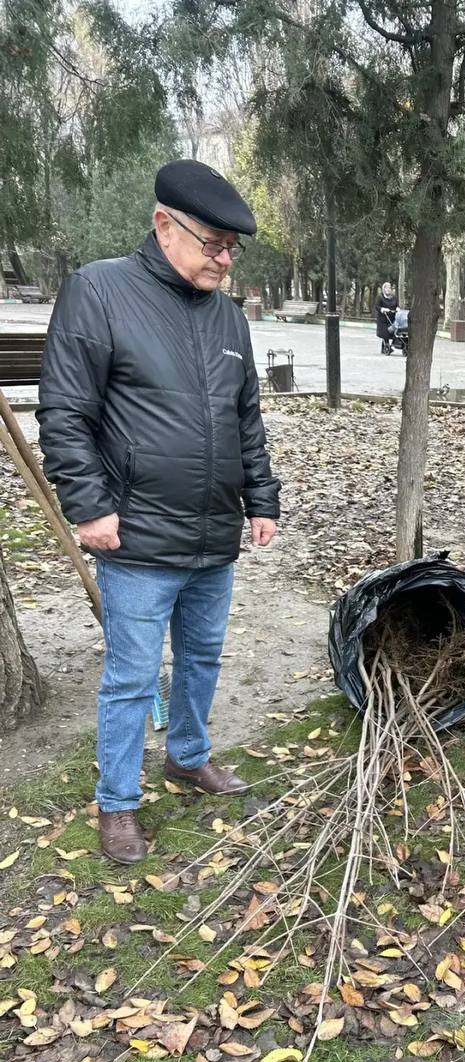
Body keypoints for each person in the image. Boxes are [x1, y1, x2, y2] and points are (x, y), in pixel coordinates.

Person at [39, 159, 281, 865]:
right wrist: (88, 504)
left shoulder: (229, 316)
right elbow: (65, 411)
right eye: (213, 243)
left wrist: (260, 500)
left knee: (203, 657)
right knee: (132, 676)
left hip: (212, 533)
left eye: (233, 248)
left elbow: (247, 420)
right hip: (136, 537)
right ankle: (117, 801)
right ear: (162, 224)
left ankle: (187, 755)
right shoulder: (99, 291)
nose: (225, 258)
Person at [374, 282, 396, 355]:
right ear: (384, 289)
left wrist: (398, 308)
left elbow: (396, 305)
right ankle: (387, 347)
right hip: (383, 318)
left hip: (392, 317)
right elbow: (377, 306)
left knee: (394, 332)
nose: (388, 289)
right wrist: (382, 309)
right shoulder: (380, 297)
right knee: (385, 333)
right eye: (387, 288)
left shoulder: (393, 297)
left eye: (389, 288)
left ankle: (387, 347)